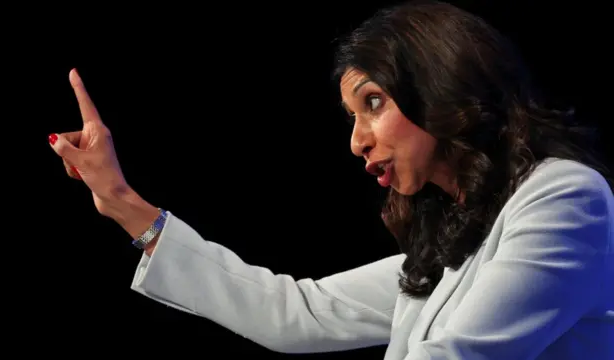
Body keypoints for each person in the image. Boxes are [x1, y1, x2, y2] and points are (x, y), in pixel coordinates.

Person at [48, 1, 613, 358]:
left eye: (373, 103)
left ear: (441, 85)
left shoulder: (563, 196)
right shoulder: (448, 247)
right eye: (352, 117)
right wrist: (123, 202)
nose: (357, 140)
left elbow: (459, 354)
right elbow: (297, 312)